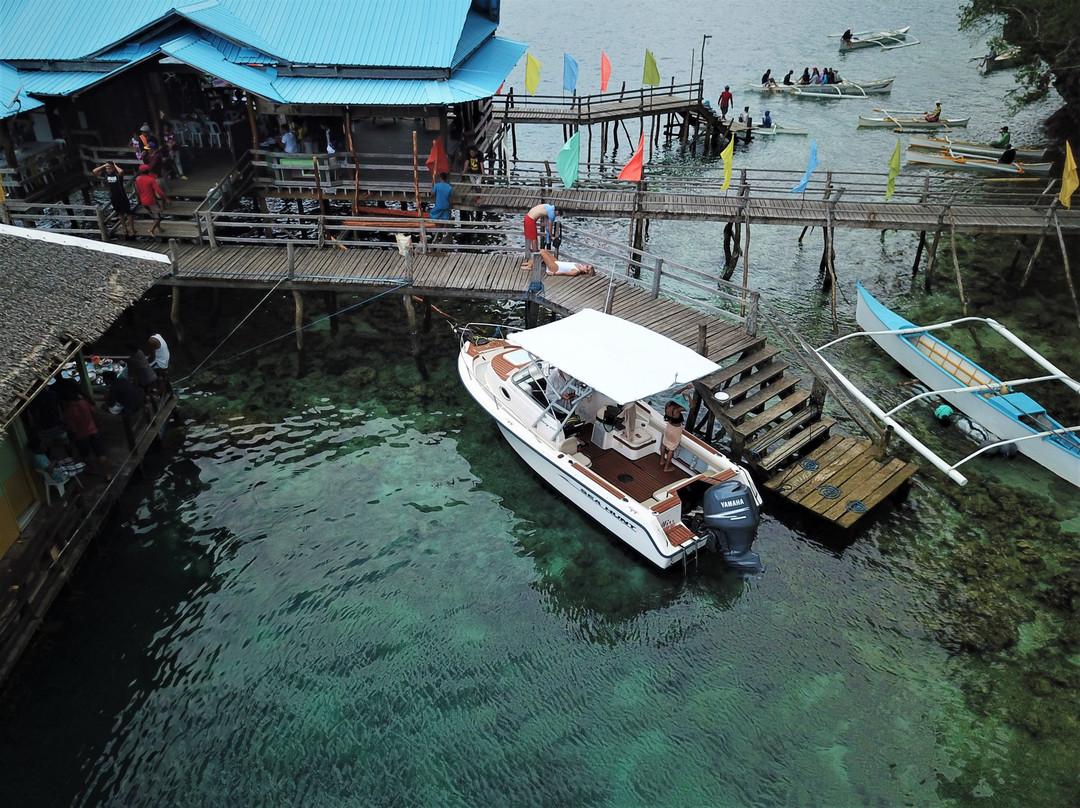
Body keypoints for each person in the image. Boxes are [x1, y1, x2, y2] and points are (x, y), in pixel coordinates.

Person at [59, 388, 110, 481]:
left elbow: (74, 429)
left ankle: (93, 470)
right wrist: (97, 423)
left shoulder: (67, 414)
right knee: (100, 453)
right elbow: (95, 413)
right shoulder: (83, 403)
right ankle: (108, 474)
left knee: (85, 455)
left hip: (81, 436)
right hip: (93, 431)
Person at [92, 161, 136, 240]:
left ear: (113, 168)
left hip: (122, 196)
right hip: (114, 197)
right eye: (107, 169)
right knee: (120, 214)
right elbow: (95, 171)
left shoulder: (117, 175)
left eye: (109, 168)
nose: (108, 170)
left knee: (128, 213)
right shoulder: (106, 175)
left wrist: (115, 165)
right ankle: (124, 229)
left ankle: (132, 229)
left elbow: (121, 171)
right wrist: (104, 165)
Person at [135, 164, 169, 237]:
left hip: (143, 201)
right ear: (148, 171)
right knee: (159, 216)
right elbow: (158, 191)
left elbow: (138, 191)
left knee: (155, 215)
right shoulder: (151, 179)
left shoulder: (138, 180)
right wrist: (165, 198)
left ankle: (159, 228)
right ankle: (151, 228)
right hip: (151, 201)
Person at [521, 202, 555, 268]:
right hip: (530, 220)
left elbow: (545, 222)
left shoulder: (547, 207)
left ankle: (532, 261)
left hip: (528, 217)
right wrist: (551, 236)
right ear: (557, 212)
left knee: (533, 240)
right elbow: (550, 226)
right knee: (534, 241)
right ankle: (536, 260)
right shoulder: (552, 213)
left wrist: (547, 229)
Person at [660, 394, 689, 472]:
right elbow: (690, 407)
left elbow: (673, 395)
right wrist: (689, 397)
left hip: (669, 427)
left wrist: (684, 388)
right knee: (671, 449)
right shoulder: (677, 410)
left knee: (664, 444)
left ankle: (662, 460)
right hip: (676, 430)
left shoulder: (667, 406)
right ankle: (666, 468)